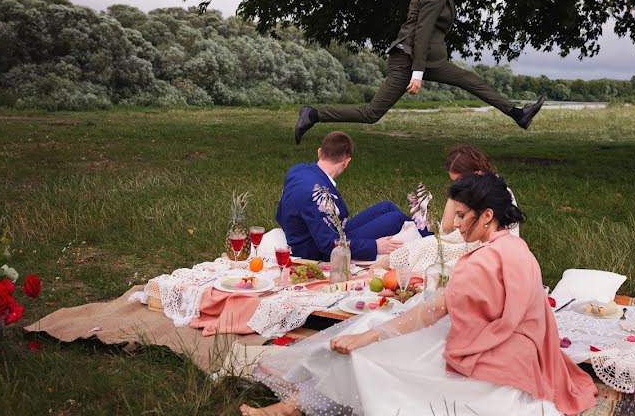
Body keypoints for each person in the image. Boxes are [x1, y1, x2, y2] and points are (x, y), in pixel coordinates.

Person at [243, 174, 598, 416]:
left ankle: (295, 407)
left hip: (493, 354)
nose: (455, 224)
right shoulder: (515, 247)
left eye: (462, 215)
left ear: (487, 216)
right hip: (518, 348)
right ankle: (298, 404)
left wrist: (369, 338)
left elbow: (438, 309)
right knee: (377, 328)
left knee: (367, 352)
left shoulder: (486, 259)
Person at [294, 0, 545, 144]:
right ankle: (313, 114)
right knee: (371, 114)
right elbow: (422, 31)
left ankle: (517, 114)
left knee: (469, 79)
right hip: (408, 58)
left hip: (428, 59)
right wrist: (417, 72)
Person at [373, 143, 513, 272]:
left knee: (431, 252)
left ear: (477, 173)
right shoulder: (466, 192)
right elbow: (446, 227)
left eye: (460, 180)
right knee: (422, 246)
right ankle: (372, 272)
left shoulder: (496, 193)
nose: (457, 185)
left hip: (476, 244)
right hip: (460, 239)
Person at [275, 131, 412, 261]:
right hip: (315, 250)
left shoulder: (297, 171)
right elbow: (328, 244)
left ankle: (418, 240)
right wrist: (375, 246)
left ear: (319, 152)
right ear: (346, 162)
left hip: (327, 230)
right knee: (396, 218)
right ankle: (426, 243)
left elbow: (281, 213)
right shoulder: (320, 194)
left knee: (387, 207)